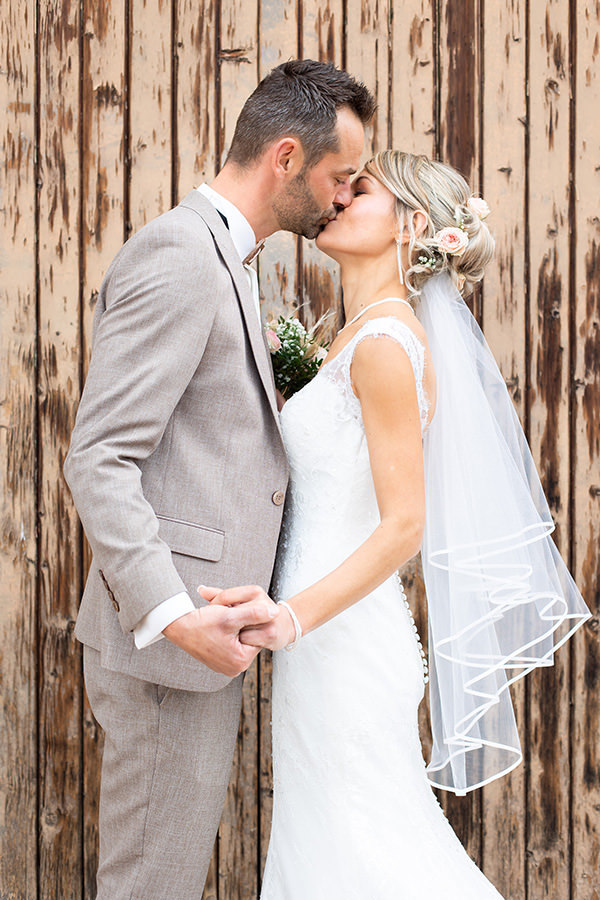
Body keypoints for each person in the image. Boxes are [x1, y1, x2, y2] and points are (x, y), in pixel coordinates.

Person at [202, 150, 591, 898]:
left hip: (340, 642)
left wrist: (290, 617)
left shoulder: (384, 346)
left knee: (366, 856)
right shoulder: (357, 337)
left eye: (363, 189)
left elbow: (405, 522)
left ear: (410, 227)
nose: (340, 197)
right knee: (335, 853)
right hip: (325, 643)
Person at [63, 59, 375, 899]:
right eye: (340, 176)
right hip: (173, 647)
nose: (345, 196)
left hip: (202, 642)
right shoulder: (182, 253)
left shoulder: (230, 258)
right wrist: (172, 617)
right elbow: (100, 455)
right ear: (286, 157)